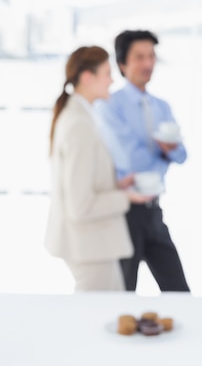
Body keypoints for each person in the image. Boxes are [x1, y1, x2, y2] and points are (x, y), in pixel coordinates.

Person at [45, 46, 153, 291]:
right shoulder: (78, 125)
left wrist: (116, 185)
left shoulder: (81, 117)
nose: (112, 80)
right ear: (87, 77)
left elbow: (82, 184)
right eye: (107, 73)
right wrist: (125, 197)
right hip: (88, 246)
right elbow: (80, 205)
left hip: (91, 245)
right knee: (95, 320)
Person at [96, 30, 190, 292]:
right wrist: (164, 152)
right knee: (124, 291)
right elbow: (133, 160)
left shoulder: (162, 106)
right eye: (139, 57)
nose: (148, 64)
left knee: (179, 291)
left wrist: (168, 151)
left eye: (151, 56)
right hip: (124, 212)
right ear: (123, 63)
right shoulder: (109, 105)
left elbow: (182, 155)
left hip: (152, 210)